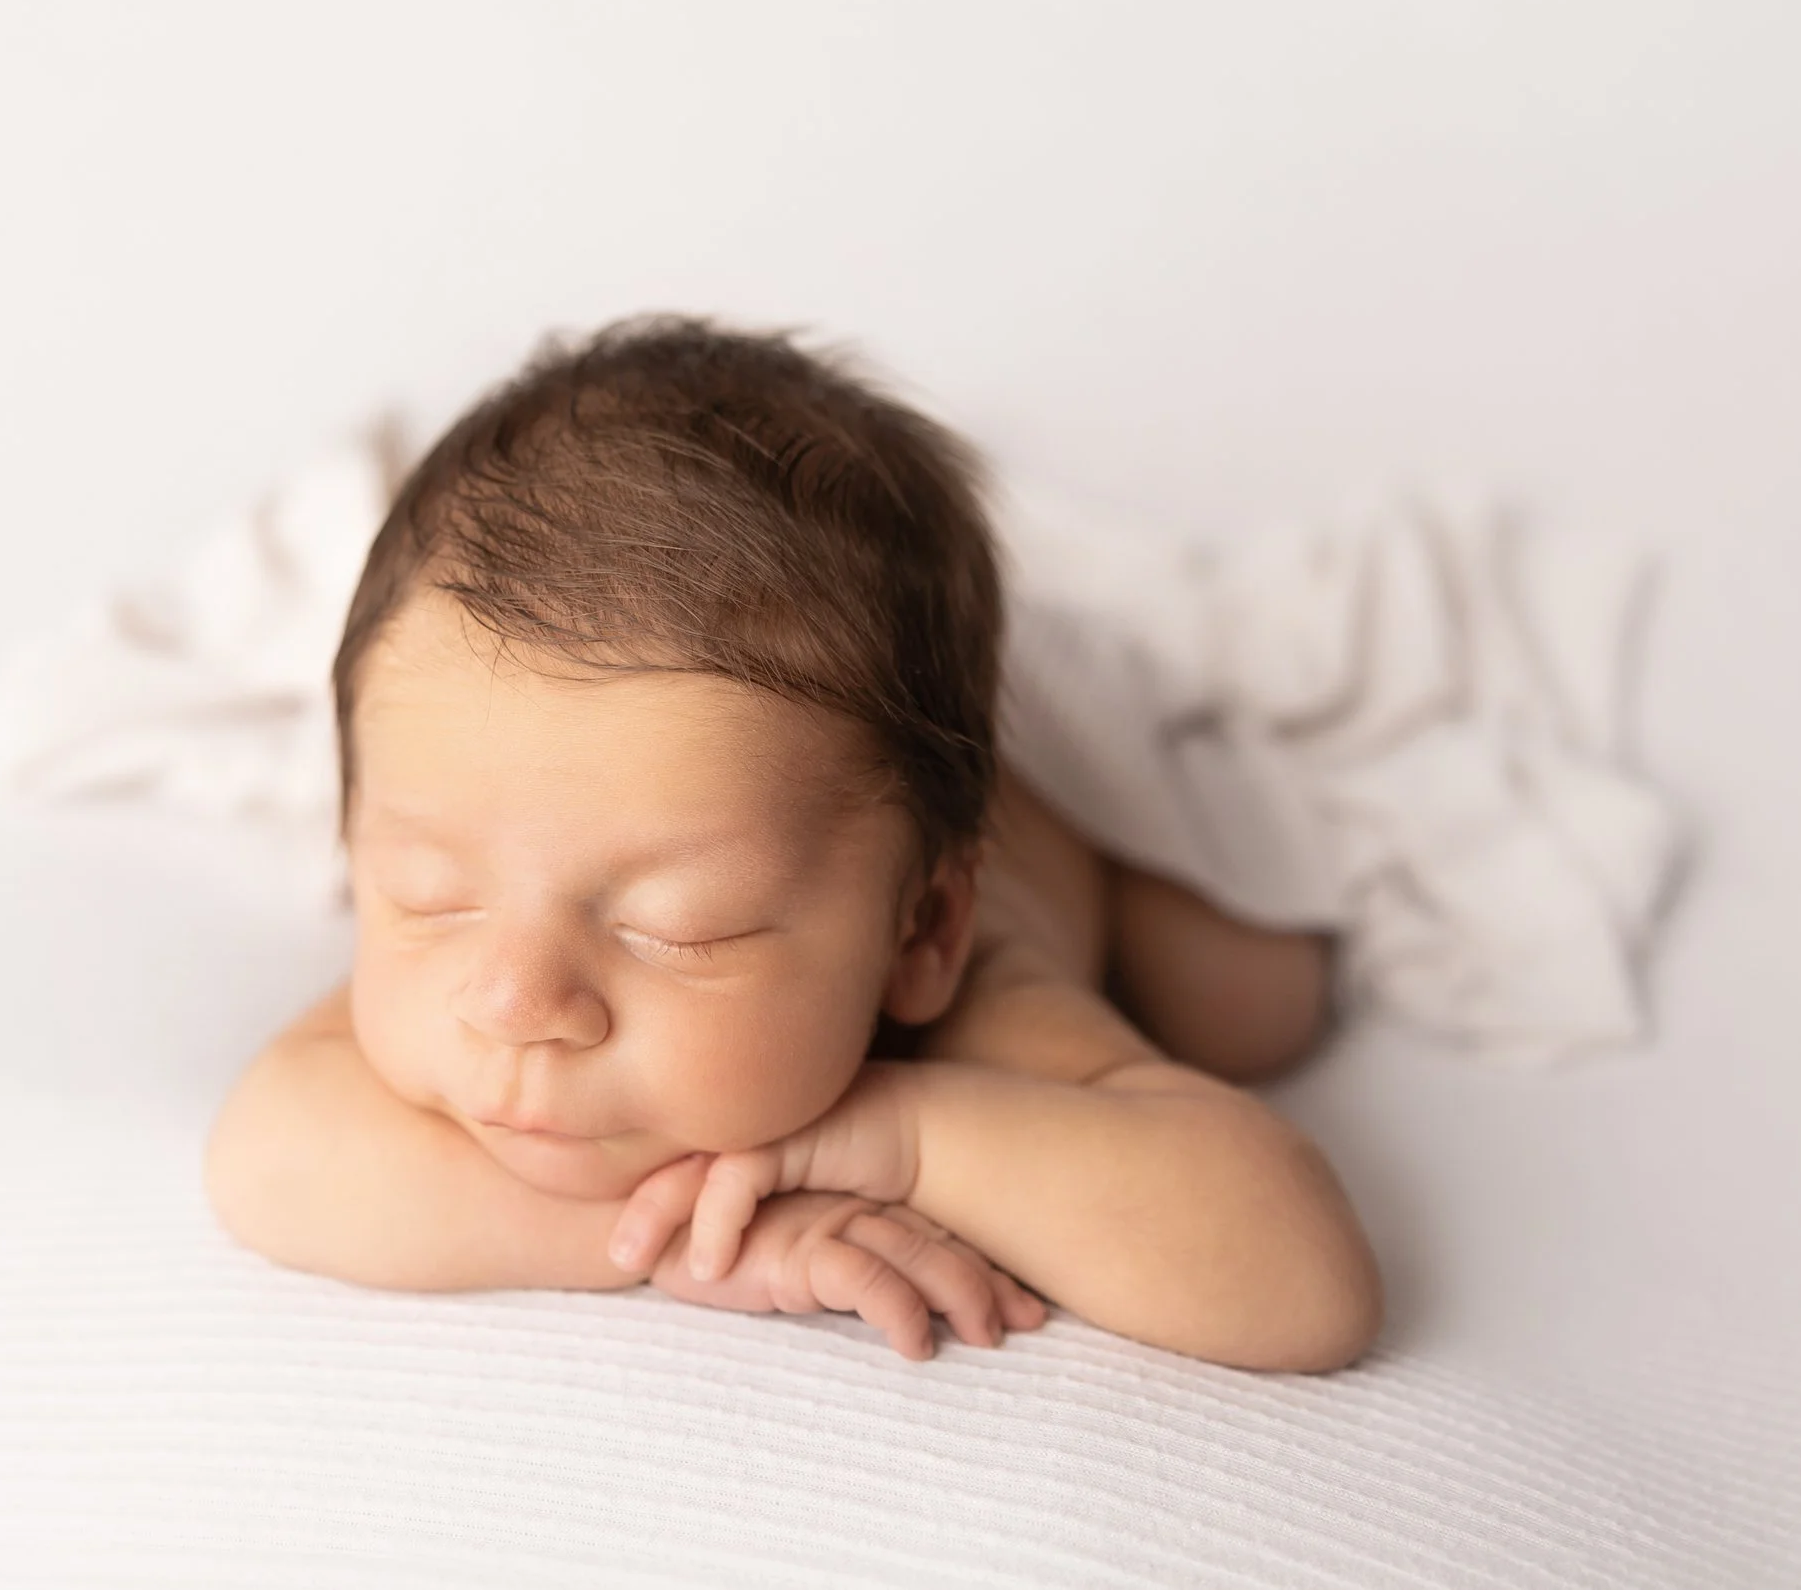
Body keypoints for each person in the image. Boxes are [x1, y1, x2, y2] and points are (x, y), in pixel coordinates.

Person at [204, 315, 1381, 1372]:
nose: (515, 999)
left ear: (917, 929)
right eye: (425, 894)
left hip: (1058, 835)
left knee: (1257, 996)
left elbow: (1304, 1286)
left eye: (676, 925)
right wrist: (688, 1239)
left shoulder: (970, 1001)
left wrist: (894, 1140)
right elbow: (269, 1154)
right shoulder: (507, 839)